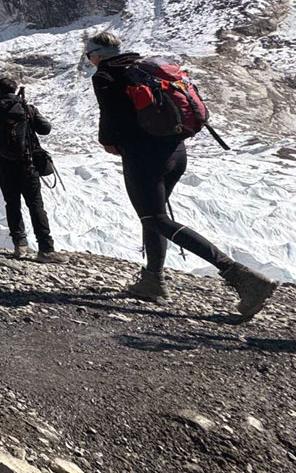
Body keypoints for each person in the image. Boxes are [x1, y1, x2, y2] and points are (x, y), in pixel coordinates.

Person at [84, 31, 276, 319]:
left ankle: (241, 277)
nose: (90, 61)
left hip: (143, 155)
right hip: (176, 152)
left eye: (90, 56)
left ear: (96, 55)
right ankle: (152, 280)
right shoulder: (144, 66)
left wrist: (108, 141)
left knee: (154, 218)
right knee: (156, 216)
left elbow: (110, 115)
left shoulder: (105, 76)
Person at [0, 77, 62, 262]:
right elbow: (45, 129)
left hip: (4, 165)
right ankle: (46, 249)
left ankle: (20, 246)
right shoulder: (26, 108)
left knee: (12, 204)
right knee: (36, 205)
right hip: (27, 164)